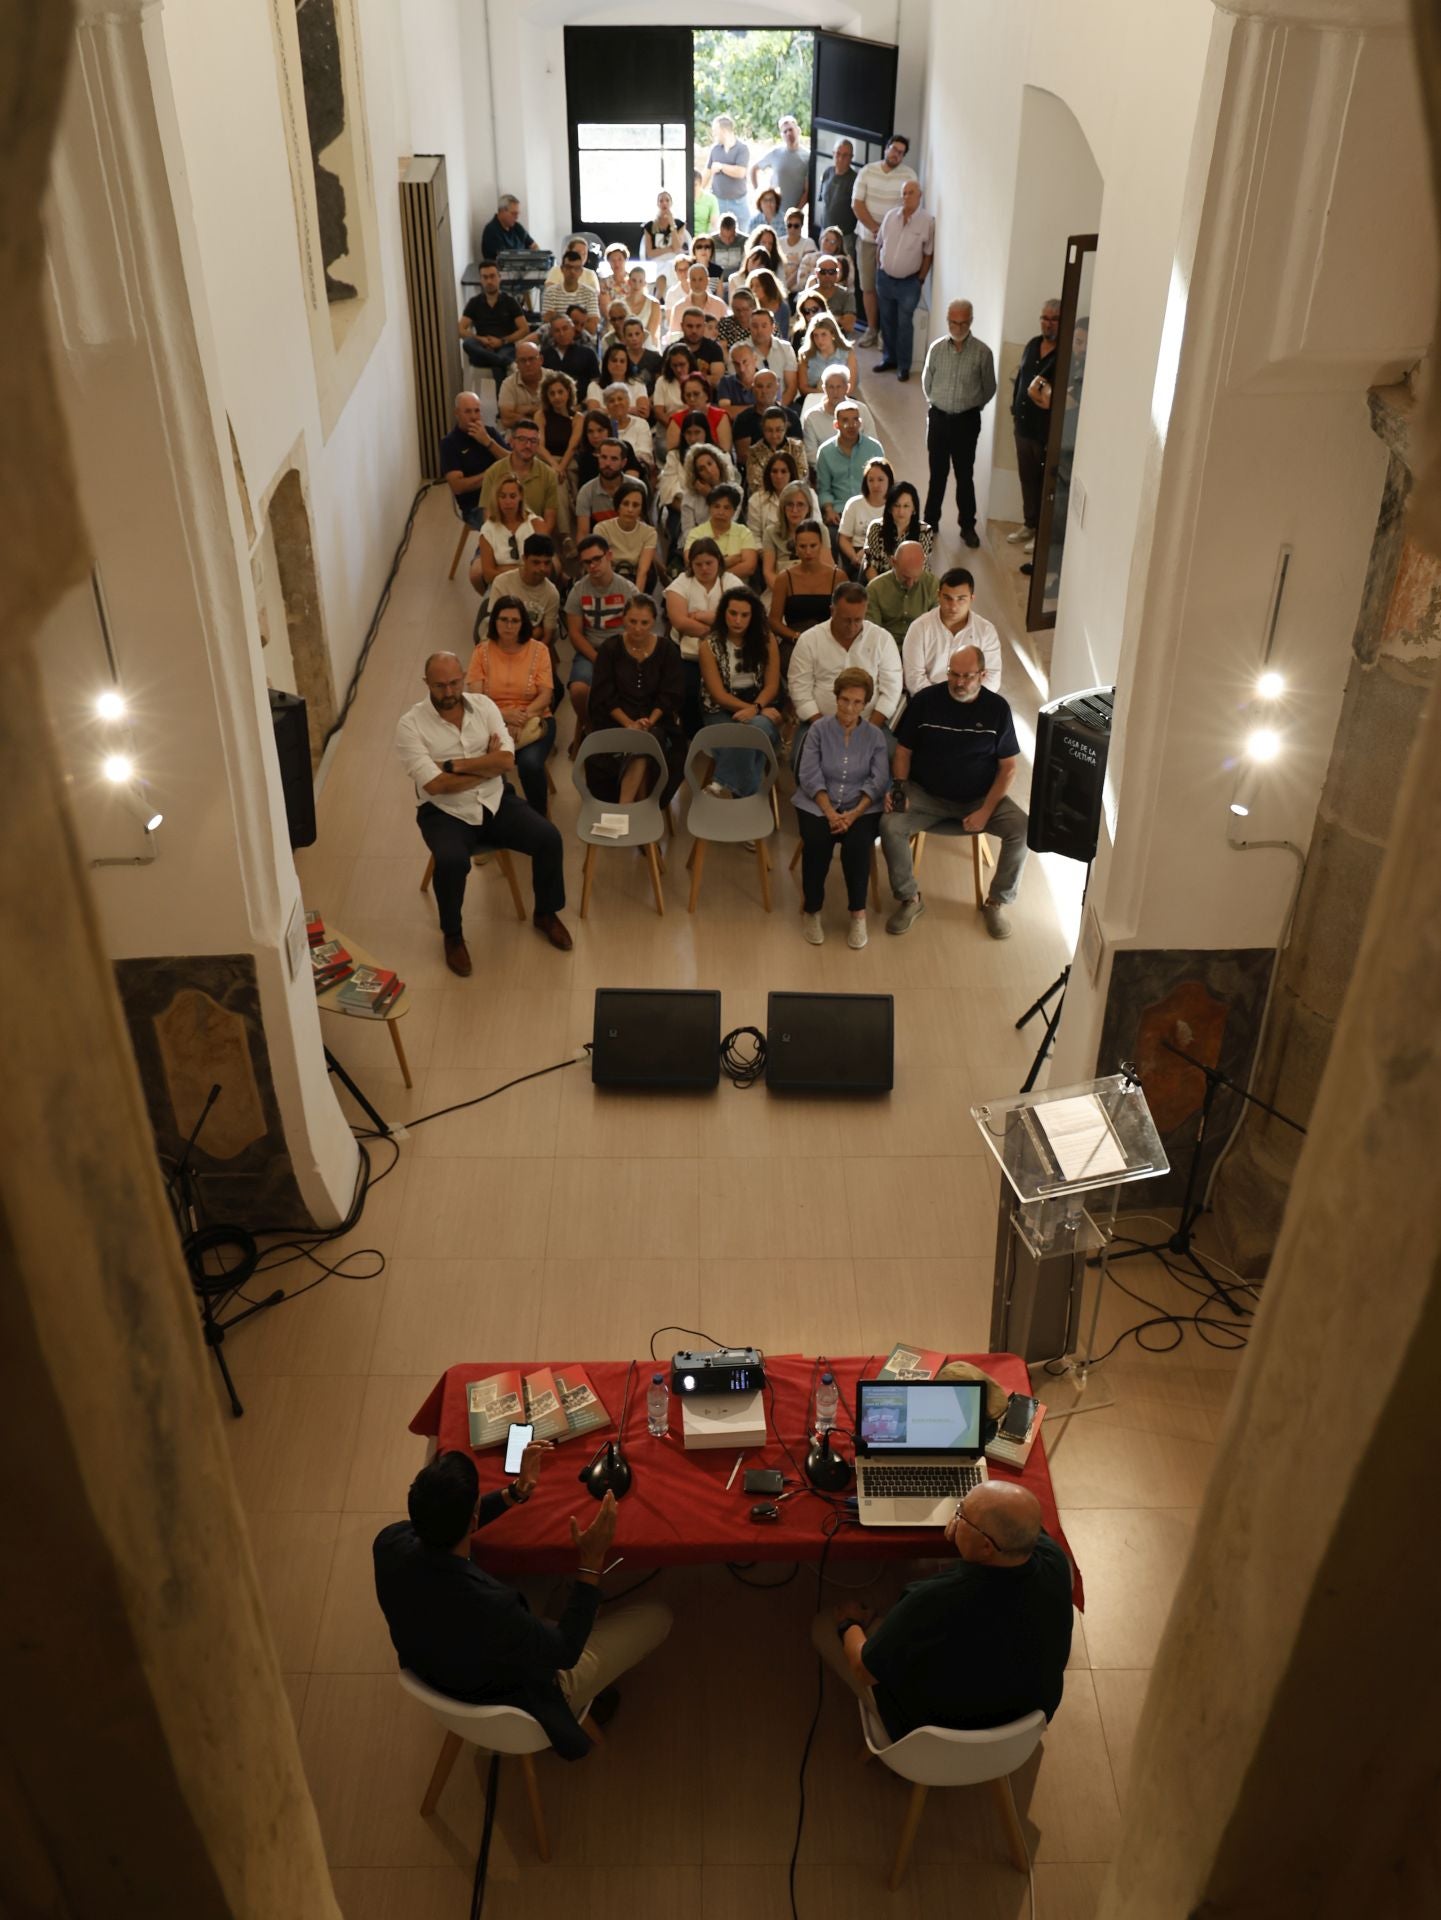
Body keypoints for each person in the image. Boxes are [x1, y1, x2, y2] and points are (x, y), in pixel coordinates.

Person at [373, 1450, 672, 1761]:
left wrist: (513, 1493)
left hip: (441, 1671)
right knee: (658, 1615)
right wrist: (591, 1563)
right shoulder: (491, 1605)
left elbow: (450, 1523)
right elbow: (565, 1652)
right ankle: (581, 1697)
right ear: (474, 1516)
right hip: (521, 1693)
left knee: (546, 1572)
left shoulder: (388, 1544)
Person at [816, 1481, 1071, 1743]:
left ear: (986, 1547)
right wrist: (967, 1532)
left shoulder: (932, 1600)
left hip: (937, 1733)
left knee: (823, 1625)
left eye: (960, 1513)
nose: (954, 1517)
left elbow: (864, 1670)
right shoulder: (1054, 1559)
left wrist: (849, 1624)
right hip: (1022, 1728)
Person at [395, 653, 571, 972]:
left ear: (463, 676)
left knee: (549, 837)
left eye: (454, 683)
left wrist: (454, 766)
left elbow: (506, 762)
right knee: (450, 861)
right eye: (440, 686)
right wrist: (484, 766)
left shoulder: (485, 707)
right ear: (426, 684)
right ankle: (453, 935)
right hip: (444, 813)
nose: (448, 692)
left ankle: (545, 913)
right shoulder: (410, 725)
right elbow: (435, 786)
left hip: (495, 800)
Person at [880, 644, 1029, 941]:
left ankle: (996, 902)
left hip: (979, 798)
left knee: (1023, 830)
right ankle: (910, 899)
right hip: (926, 795)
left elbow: (1008, 768)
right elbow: (903, 751)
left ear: (983, 675)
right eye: (953, 674)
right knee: (889, 825)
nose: (959, 682)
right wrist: (898, 788)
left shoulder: (997, 709)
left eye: (967, 676)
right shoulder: (924, 701)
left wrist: (986, 811)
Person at [793, 666, 890, 949]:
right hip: (817, 804)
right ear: (836, 698)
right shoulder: (818, 730)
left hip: (861, 808)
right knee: (816, 842)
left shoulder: (875, 736)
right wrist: (831, 813)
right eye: (845, 699)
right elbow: (809, 775)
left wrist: (853, 814)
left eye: (857, 702)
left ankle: (857, 914)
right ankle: (812, 910)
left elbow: (879, 779)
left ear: (866, 703)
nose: (850, 707)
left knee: (858, 846)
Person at [587, 596, 685, 805]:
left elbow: (670, 694)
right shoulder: (610, 649)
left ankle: (625, 808)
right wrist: (629, 724)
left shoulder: (667, 650)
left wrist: (649, 720)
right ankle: (636, 808)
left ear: (653, 622)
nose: (638, 629)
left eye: (644, 623)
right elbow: (603, 695)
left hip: (658, 721)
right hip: (615, 720)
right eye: (632, 622)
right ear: (623, 620)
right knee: (640, 743)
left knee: (647, 741)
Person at [464, 597, 556, 816]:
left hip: (535, 719)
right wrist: (504, 718)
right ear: (494, 622)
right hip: (492, 722)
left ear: (523, 623)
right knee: (491, 765)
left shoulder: (539, 650)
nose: (508, 625)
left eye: (515, 620)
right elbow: (476, 698)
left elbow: (546, 695)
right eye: (503, 619)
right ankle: (500, 817)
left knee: (530, 764)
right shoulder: (481, 652)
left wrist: (521, 718)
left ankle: (539, 820)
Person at [787, 581, 902, 756]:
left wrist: (868, 730)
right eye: (846, 620)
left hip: (869, 722)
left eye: (858, 620)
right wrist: (824, 728)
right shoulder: (809, 640)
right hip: (819, 722)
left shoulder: (882, 639)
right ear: (832, 611)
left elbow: (891, 691)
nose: (852, 626)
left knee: (889, 758)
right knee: (802, 759)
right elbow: (799, 690)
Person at [921, 300, 997, 547]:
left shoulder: (983, 353)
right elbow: (927, 382)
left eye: (963, 322)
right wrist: (938, 404)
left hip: (966, 421)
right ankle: (930, 523)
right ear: (948, 321)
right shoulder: (936, 349)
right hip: (939, 418)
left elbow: (989, 388)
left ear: (971, 321)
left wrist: (971, 406)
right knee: (937, 474)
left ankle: (967, 527)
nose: (958, 326)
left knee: (965, 475)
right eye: (954, 322)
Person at [698, 585, 783, 797]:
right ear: (723, 613)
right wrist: (756, 709)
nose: (738, 620)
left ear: (753, 616)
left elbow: (772, 685)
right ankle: (748, 802)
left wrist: (757, 708)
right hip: (720, 710)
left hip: (759, 704)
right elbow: (718, 695)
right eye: (733, 613)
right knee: (752, 733)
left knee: (754, 728)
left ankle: (719, 783)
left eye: (745, 615)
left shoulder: (767, 639)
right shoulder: (709, 645)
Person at [664, 537, 742, 734]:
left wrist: (702, 616)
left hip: (726, 652)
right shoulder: (681, 583)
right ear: (690, 564)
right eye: (698, 564)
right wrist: (717, 627)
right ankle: (693, 733)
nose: (704, 569)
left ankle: (725, 729)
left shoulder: (731, 582)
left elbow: (740, 617)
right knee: (688, 691)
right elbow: (680, 622)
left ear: (718, 561)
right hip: (687, 655)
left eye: (709, 563)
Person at [564, 534, 637, 735]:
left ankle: (626, 729)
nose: (593, 566)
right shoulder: (578, 591)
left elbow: (637, 629)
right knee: (578, 690)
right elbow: (575, 634)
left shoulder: (628, 590)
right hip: (591, 650)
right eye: (587, 562)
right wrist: (598, 659)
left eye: (597, 559)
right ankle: (590, 727)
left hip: (623, 649)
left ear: (609, 556)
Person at [851, 135, 918, 347]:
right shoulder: (867, 171)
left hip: (893, 243)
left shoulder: (909, 175)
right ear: (886, 149)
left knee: (888, 290)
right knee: (868, 286)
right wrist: (874, 228)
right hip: (867, 239)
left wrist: (887, 233)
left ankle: (885, 335)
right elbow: (857, 204)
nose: (896, 154)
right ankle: (872, 329)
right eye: (893, 149)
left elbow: (910, 206)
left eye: (900, 152)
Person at [1010, 299, 1062, 554]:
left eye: (1053, 319)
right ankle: (1029, 524)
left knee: (1043, 485)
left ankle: (1042, 533)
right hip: (1022, 427)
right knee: (1026, 479)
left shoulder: (1064, 353)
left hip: (1045, 433)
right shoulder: (1032, 344)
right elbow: (1020, 377)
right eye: (1044, 317)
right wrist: (1013, 408)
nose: (1047, 323)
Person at [902, 567, 1001, 695]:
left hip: (972, 701)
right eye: (947, 598)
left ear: (972, 598)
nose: (953, 606)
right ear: (938, 595)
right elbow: (914, 679)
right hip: (930, 701)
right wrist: (944, 704)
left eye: (961, 599)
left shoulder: (986, 631)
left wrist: (968, 701)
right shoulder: (919, 628)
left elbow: (992, 678)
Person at [873, 181, 933, 381]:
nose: (906, 196)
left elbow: (928, 254)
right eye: (904, 193)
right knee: (887, 321)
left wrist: (921, 279)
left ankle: (903, 366)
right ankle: (889, 359)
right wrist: (879, 269)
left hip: (909, 283)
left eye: (911, 193)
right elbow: (880, 244)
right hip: (885, 278)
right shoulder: (891, 216)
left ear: (920, 195)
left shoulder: (927, 221)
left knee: (905, 325)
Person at [769, 518, 844, 649]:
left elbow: (846, 615)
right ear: (796, 548)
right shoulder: (784, 578)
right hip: (795, 642)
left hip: (830, 641)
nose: (808, 552)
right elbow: (774, 621)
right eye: (802, 546)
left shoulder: (838, 577)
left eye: (813, 546)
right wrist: (796, 637)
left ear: (821, 545)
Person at [815, 401, 886, 540]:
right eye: (845, 420)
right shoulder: (825, 452)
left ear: (860, 423)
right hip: (839, 512)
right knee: (830, 536)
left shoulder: (874, 448)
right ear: (836, 425)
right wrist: (829, 510)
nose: (851, 425)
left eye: (855, 420)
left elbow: (884, 483)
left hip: (870, 509)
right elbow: (824, 489)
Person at [440, 391, 508, 531]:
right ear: (457, 413)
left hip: (507, 496)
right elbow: (458, 486)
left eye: (477, 411)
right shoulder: (449, 443)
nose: (473, 417)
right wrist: (492, 473)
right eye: (468, 412)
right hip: (476, 505)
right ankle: (483, 552)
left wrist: (488, 442)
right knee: (498, 530)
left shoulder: (490, 433)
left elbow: (514, 461)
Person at [479, 419, 559, 535]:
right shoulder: (493, 473)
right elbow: (488, 518)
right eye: (522, 439)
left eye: (533, 441)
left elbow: (549, 522)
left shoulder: (548, 475)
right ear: (511, 442)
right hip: (500, 536)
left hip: (535, 538)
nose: (528, 445)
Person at [459, 261, 529, 388]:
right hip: (482, 347)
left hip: (505, 346)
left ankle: (501, 405)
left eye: (492, 276)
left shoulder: (510, 302)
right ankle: (506, 363)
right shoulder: (474, 303)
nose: (489, 281)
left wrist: (502, 341)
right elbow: (461, 329)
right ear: (481, 280)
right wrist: (481, 339)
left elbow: (524, 329)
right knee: (468, 343)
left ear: (499, 277)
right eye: (485, 277)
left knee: (497, 363)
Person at [485, 534, 562, 649]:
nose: (542, 568)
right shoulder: (502, 582)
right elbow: (495, 625)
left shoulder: (552, 593)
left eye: (547, 563)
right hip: (500, 641)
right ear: (524, 559)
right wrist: (535, 632)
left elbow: (547, 637)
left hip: (530, 647)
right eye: (536, 562)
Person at [471, 475, 544, 590]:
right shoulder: (487, 529)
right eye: (503, 496)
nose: (508, 501)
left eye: (513, 496)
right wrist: (522, 570)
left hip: (533, 585)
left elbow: (541, 567)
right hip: (501, 586)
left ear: (520, 497)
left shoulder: (536, 524)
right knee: (486, 607)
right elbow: (488, 575)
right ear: (497, 499)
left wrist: (502, 568)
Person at [866, 539, 940, 648]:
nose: (910, 584)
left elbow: (936, 626)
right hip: (886, 647)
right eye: (905, 577)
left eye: (915, 578)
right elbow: (873, 631)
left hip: (921, 646)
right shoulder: (875, 588)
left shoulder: (932, 584)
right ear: (893, 562)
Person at [801, 368, 876, 465]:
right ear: (824, 389)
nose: (835, 392)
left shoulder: (861, 410)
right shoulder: (811, 417)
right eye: (831, 387)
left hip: (859, 467)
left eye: (839, 387)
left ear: (847, 388)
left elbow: (872, 444)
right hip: (827, 470)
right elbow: (811, 454)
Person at [685, 482, 758, 579]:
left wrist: (714, 575)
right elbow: (690, 562)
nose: (720, 512)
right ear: (710, 508)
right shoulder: (697, 533)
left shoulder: (744, 532)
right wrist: (728, 561)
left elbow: (749, 567)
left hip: (736, 589)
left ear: (734, 511)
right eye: (716, 506)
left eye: (726, 508)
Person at [732, 367, 802, 468]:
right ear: (753, 389)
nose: (764, 391)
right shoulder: (743, 419)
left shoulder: (791, 417)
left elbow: (796, 451)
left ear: (777, 388)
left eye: (769, 386)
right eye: (759, 386)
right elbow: (744, 456)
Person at [575, 436, 643, 540]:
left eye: (614, 459)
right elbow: (583, 534)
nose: (607, 463)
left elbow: (643, 528)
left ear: (623, 463)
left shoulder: (638, 487)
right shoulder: (586, 492)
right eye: (603, 457)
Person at [864, 481, 934, 578]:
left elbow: (922, 568)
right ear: (889, 508)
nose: (901, 511)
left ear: (914, 509)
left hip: (913, 583)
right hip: (880, 582)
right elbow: (870, 565)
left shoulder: (925, 531)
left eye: (906, 506)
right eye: (896, 506)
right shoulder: (876, 527)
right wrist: (879, 590)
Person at [837, 456, 894, 574]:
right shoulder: (854, 504)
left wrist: (867, 552)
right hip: (856, 552)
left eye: (880, 479)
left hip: (884, 554)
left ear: (889, 480)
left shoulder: (895, 506)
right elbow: (843, 538)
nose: (875, 485)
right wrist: (854, 557)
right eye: (871, 480)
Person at [745, 451, 813, 548]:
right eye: (774, 471)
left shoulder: (809, 494)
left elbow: (816, 525)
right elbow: (754, 537)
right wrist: (766, 554)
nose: (779, 476)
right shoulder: (756, 500)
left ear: (791, 473)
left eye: (783, 471)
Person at [751, 115, 811, 220]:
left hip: (793, 216)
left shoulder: (807, 157)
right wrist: (760, 196)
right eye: (785, 131)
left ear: (798, 130)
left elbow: (807, 190)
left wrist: (797, 211)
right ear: (781, 135)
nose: (788, 133)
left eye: (791, 130)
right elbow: (754, 169)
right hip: (773, 211)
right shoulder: (776, 153)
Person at [602, 480, 657, 593]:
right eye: (625, 504)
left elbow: (643, 571)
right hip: (609, 579)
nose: (630, 510)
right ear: (618, 506)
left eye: (635, 505)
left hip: (636, 578)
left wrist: (635, 602)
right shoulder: (602, 529)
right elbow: (603, 566)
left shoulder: (650, 533)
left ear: (641, 509)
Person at [743, 404, 809, 498]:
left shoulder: (797, 447)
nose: (774, 435)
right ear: (763, 429)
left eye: (779, 430)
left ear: (786, 427)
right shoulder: (754, 452)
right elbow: (756, 484)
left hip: (793, 497)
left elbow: (801, 477)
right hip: (765, 499)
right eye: (769, 430)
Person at [662, 373, 733, 453]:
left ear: (706, 395)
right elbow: (672, 453)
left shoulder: (721, 416)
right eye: (688, 395)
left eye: (696, 394)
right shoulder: (676, 420)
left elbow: (725, 451)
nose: (692, 399)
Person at [541, 247, 600, 336]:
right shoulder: (550, 292)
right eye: (569, 267)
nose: (572, 272)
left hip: (582, 338)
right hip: (557, 337)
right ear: (562, 269)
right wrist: (578, 322)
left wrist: (559, 320)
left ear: (581, 271)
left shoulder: (590, 293)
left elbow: (592, 326)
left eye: (577, 268)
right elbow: (547, 320)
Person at [747, 308, 799, 407]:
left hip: (784, 405)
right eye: (755, 326)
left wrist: (777, 409)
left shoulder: (786, 348)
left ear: (773, 327)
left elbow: (791, 387)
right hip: (753, 406)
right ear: (749, 327)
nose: (759, 330)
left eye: (764, 326)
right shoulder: (741, 350)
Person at [541, 310, 601, 395]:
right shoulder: (544, 355)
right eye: (557, 331)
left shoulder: (588, 353)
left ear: (573, 329)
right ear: (552, 333)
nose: (561, 334)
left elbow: (595, 382)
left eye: (565, 329)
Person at [797, 313, 857, 397]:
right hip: (812, 398)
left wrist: (834, 396)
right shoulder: (805, 355)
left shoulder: (847, 352)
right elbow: (803, 388)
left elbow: (851, 386)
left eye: (823, 334)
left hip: (842, 398)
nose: (819, 340)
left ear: (833, 334)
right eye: (815, 335)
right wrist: (825, 395)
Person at [816, 140, 857, 257]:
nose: (840, 158)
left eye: (845, 155)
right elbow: (823, 201)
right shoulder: (827, 172)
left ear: (851, 157)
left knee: (844, 268)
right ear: (833, 154)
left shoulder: (855, 179)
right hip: (825, 232)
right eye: (838, 154)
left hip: (845, 236)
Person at [703, 114, 750, 217]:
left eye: (715, 130)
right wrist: (698, 192)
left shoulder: (742, 149)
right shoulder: (715, 149)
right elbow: (707, 172)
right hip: (718, 201)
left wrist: (721, 167)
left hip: (738, 203)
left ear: (724, 131)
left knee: (742, 232)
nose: (713, 133)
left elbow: (740, 172)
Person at [498, 339, 548, 430]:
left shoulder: (553, 379)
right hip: (519, 434)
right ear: (517, 364)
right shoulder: (508, 384)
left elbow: (561, 412)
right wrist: (537, 414)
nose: (527, 364)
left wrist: (524, 409)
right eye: (522, 360)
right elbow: (506, 420)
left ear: (541, 360)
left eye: (531, 359)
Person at [809, 254, 857, 335]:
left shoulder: (847, 295)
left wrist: (817, 317)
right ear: (816, 273)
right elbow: (801, 323)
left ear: (837, 274)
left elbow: (848, 326)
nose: (827, 275)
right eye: (823, 272)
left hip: (838, 341)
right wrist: (838, 319)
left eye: (831, 272)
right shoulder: (808, 295)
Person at [480, 194, 538, 260]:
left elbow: (534, 246)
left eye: (518, 214)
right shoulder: (491, 231)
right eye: (513, 213)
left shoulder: (517, 226)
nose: (517, 217)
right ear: (502, 211)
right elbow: (506, 260)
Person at [640, 190, 691, 266]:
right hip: (657, 262)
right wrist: (670, 249)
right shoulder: (649, 226)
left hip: (675, 262)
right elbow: (650, 253)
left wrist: (672, 224)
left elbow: (677, 247)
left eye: (667, 200)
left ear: (671, 203)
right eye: (661, 201)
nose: (664, 203)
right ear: (657, 204)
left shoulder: (679, 224)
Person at [776, 208, 819, 293]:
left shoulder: (808, 243)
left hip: (800, 291)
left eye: (796, 226)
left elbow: (805, 269)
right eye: (789, 225)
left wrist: (785, 287)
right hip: (780, 288)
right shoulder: (779, 242)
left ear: (801, 226)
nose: (792, 229)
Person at [711, 212, 746, 279]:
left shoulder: (745, 241)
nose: (727, 241)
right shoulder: (711, 241)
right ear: (719, 231)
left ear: (736, 232)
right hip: (717, 280)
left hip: (737, 280)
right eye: (724, 237)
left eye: (731, 237)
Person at [692, 165, 719, 237]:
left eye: (695, 185)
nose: (692, 188)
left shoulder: (711, 199)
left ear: (700, 184)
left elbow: (714, 225)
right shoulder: (683, 198)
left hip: (703, 239)